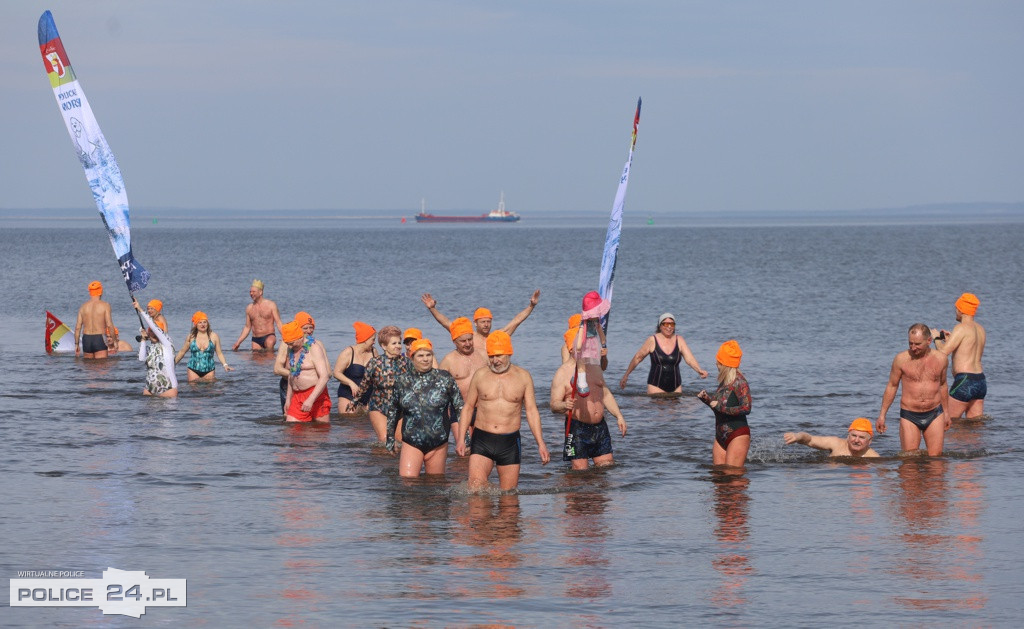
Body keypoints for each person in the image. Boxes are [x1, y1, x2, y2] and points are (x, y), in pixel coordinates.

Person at [454, 331, 550, 491]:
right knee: (476, 489)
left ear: (509, 353)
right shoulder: (480, 375)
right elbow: (468, 407)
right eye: (491, 356)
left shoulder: (523, 377)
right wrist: (461, 439)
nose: (495, 360)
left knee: (509, 500)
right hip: (482, 439)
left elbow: (532, 412)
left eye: (499, 355)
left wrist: (541, 444)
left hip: (509, 442)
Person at [386, 338, 464, 477]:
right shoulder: (402, 380)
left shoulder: (445, 378)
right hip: (412, 441)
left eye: (428, 355)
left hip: (439, 441)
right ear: (412, 357)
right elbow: (393, 411)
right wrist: (390, 438)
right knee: (407, 484)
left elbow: (459, 407)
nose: (425, 359)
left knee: (435, 486)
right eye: (421, 356)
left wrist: (465, 438)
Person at [876, 323, 950, 456]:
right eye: (910, 343)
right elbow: (892, 386)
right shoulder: (901, 359)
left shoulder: (941, 359)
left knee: (936, 462)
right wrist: (882, 415)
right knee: (909, 463)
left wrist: (947, 413)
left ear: (928, 341)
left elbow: (943, 385)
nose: (913, 347)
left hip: (935, 413)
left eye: (917, 344)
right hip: (909, 415)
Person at [551, 356, 627, 469]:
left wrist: (619, 416)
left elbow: (605, 394)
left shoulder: (595, 366)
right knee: (580, 473)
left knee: (606, 468)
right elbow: (553, 405)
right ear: (573, 349)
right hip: (576, 428)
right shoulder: (563, 372)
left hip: (600, 427)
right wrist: (564, 405)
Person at [421, 289, 541, 362]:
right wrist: (432, 309)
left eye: (488, 321)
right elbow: (446, 323)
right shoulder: (468, 337)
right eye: (483, 322)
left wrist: (531, 306)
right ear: (475, 323)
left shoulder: (496, 336)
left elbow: (516, 321)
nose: (486, 325)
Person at [620, 312, 708, 394]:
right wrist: (626, 375)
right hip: (656, 386)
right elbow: (638, 358)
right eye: (666, 324)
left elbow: (689, 359)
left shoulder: (679, 340)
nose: (669, 327)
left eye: (672, 324)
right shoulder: (652, 340)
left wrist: (698, 370)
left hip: (676, 387)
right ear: (660, 325)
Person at [932, 292, 986, 419]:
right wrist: (951, 341)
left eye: (956, 308)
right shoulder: (980, 329)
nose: (955, 311)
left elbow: (942, 353)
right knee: (974, 428)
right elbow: (968, 349)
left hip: (965, 381)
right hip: (981, 381)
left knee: (947, 421)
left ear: (961, 310)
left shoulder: (961, 328)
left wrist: (936, 339)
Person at [697, 340, 751, 468]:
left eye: (719, 361)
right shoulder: (724, 383)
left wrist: (718, 406)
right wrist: (708, 401)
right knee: (718, 479)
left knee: (733, 479)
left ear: (725, 364)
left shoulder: (740, 382)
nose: (716, 363)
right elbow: (719, 409)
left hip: (737, 434)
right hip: (720, 436)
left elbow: (746, 408)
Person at [358, 325, 413, 442]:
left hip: (401, 408)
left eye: (399, 343)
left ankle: (396, 460)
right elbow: (365, 384)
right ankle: (379, 460)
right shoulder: (375, 363)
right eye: (394, 343)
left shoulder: (407, 363)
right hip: (378, 406)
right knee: (384, 439)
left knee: (400, 439)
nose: (398, 346)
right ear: (384, 346)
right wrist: (355, 401)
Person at [438, 317, 486, 444]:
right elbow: (438, 389)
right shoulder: (448, 360)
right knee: (464, 448)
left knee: (480, 448)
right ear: (454, 341)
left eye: (470, 339)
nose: (468, 343)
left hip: (482, 409)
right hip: (459, 409)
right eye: (463, 341)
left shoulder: (484, 355)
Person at [275, 311, 328, 411]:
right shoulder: (287, 343)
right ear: (298, 329)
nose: (309, 331)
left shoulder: (318, 345)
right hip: (289, 385)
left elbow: (328, 372)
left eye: (311, 327)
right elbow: (277, 369)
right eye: (305, 328)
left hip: (313, 388)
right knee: (288, 418)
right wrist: (298, 374)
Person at [281, 320, 332, 423]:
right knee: (292, 430)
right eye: (287, 344)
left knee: (320, 431)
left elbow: (324, 376)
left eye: (292, 343)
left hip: (316, 394)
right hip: (297, 396)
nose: (290, 347)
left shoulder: (314, 348)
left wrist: (311, 399)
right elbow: (292, 374)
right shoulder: (291, 349)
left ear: (300, 338)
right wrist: (288, 399)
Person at [132, 298, 178, 398]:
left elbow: (154, 327)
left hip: (168, 390)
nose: (153, 333)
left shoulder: (167, 343)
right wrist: (143, 340)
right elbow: (140, 359)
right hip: (149, 390)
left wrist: (140, 309)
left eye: (155, 331)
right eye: (150, 331)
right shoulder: (150, 347)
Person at [173, 311, 233, 382]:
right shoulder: (191, 337)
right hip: (193, 369)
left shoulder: (214, 336)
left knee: (209, 391)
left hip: (209, 369)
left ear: (208, 323)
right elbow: (182, 352)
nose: (203, 324)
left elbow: (219, 353)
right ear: (196, 324)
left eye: (205, 322)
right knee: (194, 391)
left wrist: (225, 365)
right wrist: (173, 364)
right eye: (200, 322)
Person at [333, 321, 378, 415]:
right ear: (365, 339)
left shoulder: (374, 352)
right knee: (349, 423)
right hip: (348, 394)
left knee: (366, 426)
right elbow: (336, 373)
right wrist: (351, 383)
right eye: (373, 340)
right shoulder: (348, 352)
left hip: (368, 396)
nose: (374, 342)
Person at [570, 291, 610, 396]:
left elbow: (600, 331)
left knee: (589, 361)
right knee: (581, 362)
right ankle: (582, 382)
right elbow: (581, 332)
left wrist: (603, 341)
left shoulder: (596, 321)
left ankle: (578, 378)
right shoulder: (583, 323)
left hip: (592, 342)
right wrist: (578, 346)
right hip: (583, 342)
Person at [783, 418, 880, 458]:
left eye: (861, 437)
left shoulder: (873, 457)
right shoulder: (835, 443)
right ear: (848, 436)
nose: (856, 440)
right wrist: (797, 436)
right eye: (854, 435)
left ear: (870, 441)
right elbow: (810, 439)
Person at [232, 279, 284, 351]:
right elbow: (247, 327)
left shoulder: (271, 305)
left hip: (269, 336)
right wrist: (238, 342)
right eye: (250, 292)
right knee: (256, 359)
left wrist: (286, 337)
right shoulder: (249, 308)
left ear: (260, 292)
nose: (251, 293)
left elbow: (278, 322)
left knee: (270, 343)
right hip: (256, 339)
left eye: (253, 292)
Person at [74, 280, 114, 359]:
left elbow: (78, 328)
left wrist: (76, 344)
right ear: (101, 291)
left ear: (90, 292)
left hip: (86, 338)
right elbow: (109, 325)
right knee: (102, 368)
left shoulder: (83, 307)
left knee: (89, 369)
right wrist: (115, 342)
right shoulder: (105, 305)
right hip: (99, 338)